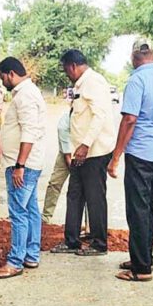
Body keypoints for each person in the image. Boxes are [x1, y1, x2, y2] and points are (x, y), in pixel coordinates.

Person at [108, 39, 153, 281]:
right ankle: (144, 256)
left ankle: (141, 269)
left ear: (133, 57)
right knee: (148, 206)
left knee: (138, 209)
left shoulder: (136, 80)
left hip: (141, 153)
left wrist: (115, 156)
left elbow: (130, 119)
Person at [51, 49, 115, 257]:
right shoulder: (82, 84)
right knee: (75, 195)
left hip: (94, 152)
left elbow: (100, 116)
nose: (66, 74)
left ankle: (99, 243)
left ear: (72, 66)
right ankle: (71, 241)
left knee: (95, 197)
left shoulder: (94, 82)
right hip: (81, 153)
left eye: (66, 70)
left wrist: (86, 144)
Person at [0, 57, 47, 279]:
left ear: (11, 74)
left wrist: (19, 166)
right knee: (31, 209)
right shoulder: (28, 93)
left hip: (23, 164)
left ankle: (15, 261)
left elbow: (29, 132)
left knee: (18, 213)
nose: (2, 82)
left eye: (3, 77)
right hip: (29, 163)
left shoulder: (25, 96)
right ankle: (31, 255)